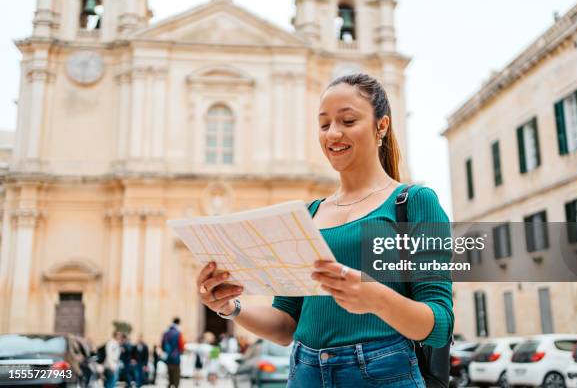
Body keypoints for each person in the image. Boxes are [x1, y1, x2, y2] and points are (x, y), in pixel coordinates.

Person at [196, 73, 454, 387]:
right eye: (324, 124)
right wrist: (230, 307)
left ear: (381, 126)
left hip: (384, 374)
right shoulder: (307, 215)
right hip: (305, 373)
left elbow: (440, 322)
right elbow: (286, 325)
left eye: (347, 121)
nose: (333, 134)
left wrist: (375, 298)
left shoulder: (414, 203)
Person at [161, 317, 185, 388]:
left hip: (168, 357)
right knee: (176, 374)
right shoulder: (178, 333)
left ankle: (169, 384)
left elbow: (162, 344)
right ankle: (175, 385)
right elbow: (181, 345)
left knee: (169, 373)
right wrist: (180, 352)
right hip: (176, 357)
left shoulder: (166, 332)